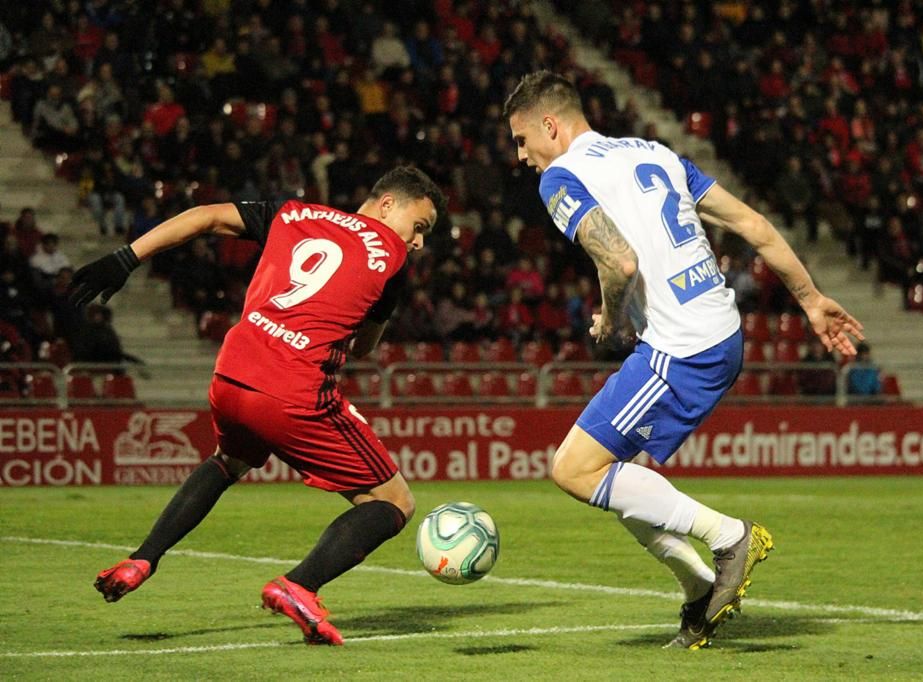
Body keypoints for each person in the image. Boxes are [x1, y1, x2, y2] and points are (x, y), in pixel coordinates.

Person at [504, 71, 863, 650]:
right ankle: (698, 592)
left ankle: (730, 539)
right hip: (718, 329)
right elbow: (753, 225)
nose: (523, 156)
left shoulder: (562, 178)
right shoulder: (656, 153)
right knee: (617, 475)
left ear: (550, 125)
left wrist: (612, 318)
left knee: (572, 469)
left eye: (523, 140)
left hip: (682, 347)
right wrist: (811, 300)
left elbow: (618, 263)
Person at [70, 166, 446, 646]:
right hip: (292, 389)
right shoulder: (391, 255)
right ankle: (299, 586)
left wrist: (127, 256)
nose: (417, 243)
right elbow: (365, 348)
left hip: (232, 371)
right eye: (420, 226)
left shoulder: (293, 212)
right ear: (388, 204)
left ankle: (143, 557)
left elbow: (205, 216)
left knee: (231, 461)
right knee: (394, 501)